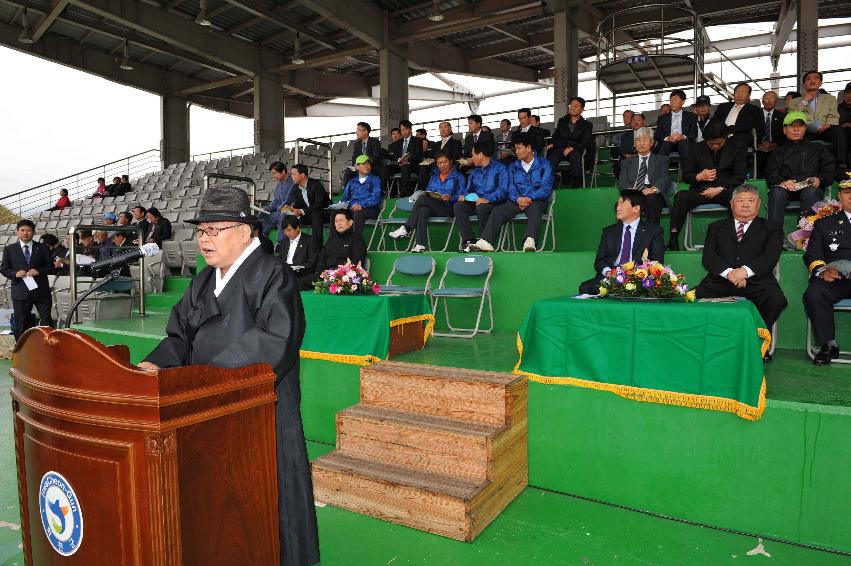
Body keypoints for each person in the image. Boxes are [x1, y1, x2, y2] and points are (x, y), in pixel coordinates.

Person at [137, 186, 319, 565]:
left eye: (213, 230)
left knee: (268, 507)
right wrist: (155, 366)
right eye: (200, 231)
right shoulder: (204, 281)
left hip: (258, 413)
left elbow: (275, 342)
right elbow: (179, 337)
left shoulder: (273, 275)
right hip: (206, 409)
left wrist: (205, 379)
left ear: (245, 231)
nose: (204, 239)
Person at [694, 184, 787, 358]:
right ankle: (704, 342)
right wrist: (730, 273)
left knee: (776, 301)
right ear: (731, 204)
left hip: (757, 280)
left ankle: (759, 343)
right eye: (741, 200)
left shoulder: (771, 227)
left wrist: (744, 272)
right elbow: (709, 257)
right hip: (720, 280)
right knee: (691, 297)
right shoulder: (716, 227)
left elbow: (770, 256)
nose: (745, 204)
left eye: (751, 201)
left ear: (758, 204)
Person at [667, 121, 747, 251]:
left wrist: (720, 188)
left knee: (736, 197)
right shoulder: (695, 148)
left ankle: (736, 240)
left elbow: (739, 176)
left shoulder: (736, 148)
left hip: (724, 190)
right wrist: (699, 176)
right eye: (711, 144)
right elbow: (686, 175)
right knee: (681, 196)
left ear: (725, 138)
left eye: (719, 143)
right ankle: (673, 239)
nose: (715, 146)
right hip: (701, 191)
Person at [470, 133, 554, 253]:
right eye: (515, 149)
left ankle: (530, 241)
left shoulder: (545, 164)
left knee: (535, 208)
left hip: (536, 200)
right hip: (517, 201)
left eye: (519, 148)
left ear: (529, 148)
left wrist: (529, 198)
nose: (516, 152)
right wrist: (518, 199)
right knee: (498, 210)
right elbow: (511, 188)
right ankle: (486, 241)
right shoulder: (513, 166)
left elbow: (546, 188)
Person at [578, 189, 665, 295]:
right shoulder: (609, 232)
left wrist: (633, 274)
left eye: (622, 204)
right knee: (586, 287)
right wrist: (609, 272)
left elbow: (657, 262)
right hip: (611, 277)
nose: (617, 208)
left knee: (647, 289)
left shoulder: (653, 231)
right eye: (617, 204)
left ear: (636, 208)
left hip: (638, 278)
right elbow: (599, 262)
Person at [803, 180, 851, 365]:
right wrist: (822, 271)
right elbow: (813, 253)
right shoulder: (824, 223)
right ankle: (828, 344)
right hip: (835, 277)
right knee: (815, 293)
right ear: (839, 196)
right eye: (847, 192)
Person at [765, 111, 835, 227]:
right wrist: (782, 182)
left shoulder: (818, 148)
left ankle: (804, 236)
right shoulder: (777, 153)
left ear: (805, 129)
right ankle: (774, 236)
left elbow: (830, 170)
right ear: (785, 130)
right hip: (786, 188)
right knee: (777, 192)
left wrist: (820, 179)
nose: (796, 129)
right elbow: (771, 174)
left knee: (810, 192)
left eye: (800, 126)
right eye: (792, 126)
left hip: (810, 188)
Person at [389, 152, 465, 252]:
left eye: (445, 162)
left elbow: (462, 195)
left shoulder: (458, 177)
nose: (443, 165)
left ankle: (407, 228)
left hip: (449, 208)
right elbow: (429, 191)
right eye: (439, 163)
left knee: (422, 199)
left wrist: (451, 198)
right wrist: (433, 195)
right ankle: (420, 245)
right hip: (434, 205)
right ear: (437, 164)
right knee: (423, 210)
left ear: (450, 162)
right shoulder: (434, 177)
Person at [0, 220, 55, 340]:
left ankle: (50, 348)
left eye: (29, 230)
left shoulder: (43, 248)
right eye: (22, 230)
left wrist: (39, 271)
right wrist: (15, 273)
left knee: (46, 321)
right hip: (20, 292)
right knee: (20, 324)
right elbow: (4, 269)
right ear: (17, 232)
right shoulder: (10, 249)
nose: (25, 233)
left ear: (33, 232)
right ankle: (21, 351)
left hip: (41, 292)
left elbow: (50, 267)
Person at [787, 70, 847, 178]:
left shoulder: (829, 98)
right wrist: (804, 101)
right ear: (804, 84)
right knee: (794, 133)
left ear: (820, 83)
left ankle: (841, 165)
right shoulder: (795, 101)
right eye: (808, 79)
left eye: (816, 78)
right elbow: (793, 117)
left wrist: (827, 125)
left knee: (838, 130)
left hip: (825, 128)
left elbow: (834, 115)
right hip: (805, 131)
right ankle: (800, 169)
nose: (812, 81)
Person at [454, 143, 509, 251]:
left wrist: (487, 199)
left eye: (473, 154)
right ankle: (469, 241)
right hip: (476, 201)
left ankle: (485, 241)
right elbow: (468, 190)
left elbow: (503, 191)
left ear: (481, 155)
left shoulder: (500, 168)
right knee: (458, 206)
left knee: (482, 206)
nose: (471, 158)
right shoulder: (474, 171)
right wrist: (465, 197)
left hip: (494, 203)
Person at [618, 127, 671, 226]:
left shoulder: (662, 160)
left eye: (645, 139)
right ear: (634, 143)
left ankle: (652, 238)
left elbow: (665, 178)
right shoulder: (626, 162)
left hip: (653, 194)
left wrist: (653, 189)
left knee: (652, 200)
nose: (641, 143)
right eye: (638, 140)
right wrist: (629, 189)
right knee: (621, 205)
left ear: (652, 142)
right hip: (634, 193)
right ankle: (625, 238)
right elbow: (622, 181)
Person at [302, 209, 368, 289]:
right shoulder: (331, 240)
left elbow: (357, 263)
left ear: (350, 222)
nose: (339, 223)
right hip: (326, 275)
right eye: (336, 221)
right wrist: (321, 271)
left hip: (344, 277)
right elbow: (322, 258)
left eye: (341, 220)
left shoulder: (357, 240)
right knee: (302, 282)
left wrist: (337, 273)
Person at [547, 97, 593, 187]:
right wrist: (553, 144)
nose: (572, 107)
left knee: (575, 156)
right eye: (571, 105)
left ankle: (576, 186)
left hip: (575, 149)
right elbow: (555, 136)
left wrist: (572, 148)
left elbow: (584, 142)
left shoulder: (587, 125)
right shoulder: (562, 121)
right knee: (552, 155)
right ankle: (548, 185)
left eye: (576, 106)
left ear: (582, 109)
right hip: (560, 148)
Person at [711, 82, 764, 150]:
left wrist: (727, 130)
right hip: (721, 135)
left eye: (743, 92)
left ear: (748, 95)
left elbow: (747, 125)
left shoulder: (753, 109)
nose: (739, 94)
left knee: (737, 141)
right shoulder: (723, 107)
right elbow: (715, 121)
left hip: (740, 137)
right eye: (737, 91)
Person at [288, 163, 332, 246]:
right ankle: (292, 244)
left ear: (303, 175)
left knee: (316, 215)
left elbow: (319, 204)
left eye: (295, 174)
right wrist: (292, 209)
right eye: (292, 174)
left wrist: (301, 211)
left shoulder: (316, 185)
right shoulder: (295, 188)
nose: (292, 176)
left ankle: (317, 245)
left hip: (324, 212)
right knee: (289, 218)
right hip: (309, 214)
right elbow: (298, 203)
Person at [340, 154, 383, 235]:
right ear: (357, 167)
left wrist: (361, 205)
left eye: (368, 163)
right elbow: (345, 199)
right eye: (363, 164)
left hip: (371, 209)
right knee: (336, 215)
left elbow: (376, 197)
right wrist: (350, 206)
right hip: (353, 209)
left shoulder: (375, 179)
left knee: (358, 214)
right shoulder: (352, 182)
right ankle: (335, 243)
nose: (367, 166)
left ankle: (355, 243)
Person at [279, 216, 319, 290]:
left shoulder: (310, 240)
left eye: (289, 230)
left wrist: (297, 268)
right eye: (285, 231)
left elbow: (311, 263)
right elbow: (280, 259)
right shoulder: (284, 242)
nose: (287, 233)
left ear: (297, 228)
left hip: (301, 274)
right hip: (285, 272)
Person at [654, 90, 697, 160]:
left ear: (683, 102)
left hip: (684, 142)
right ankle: (660, 169)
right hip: (668, 143)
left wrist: (682, 137)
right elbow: (658, 135)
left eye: (675, 99)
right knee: (665, 143)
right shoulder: (662, 118)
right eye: (670, 100)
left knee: (684, 143)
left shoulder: (691, 116)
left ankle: (687, 170)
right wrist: (667, 138)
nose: (672, 102)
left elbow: (694, 134)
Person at [342, 122, 384, 191]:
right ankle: (347, 195)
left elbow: (376, 156)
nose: (357, 132)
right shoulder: (357, 144)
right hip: (360, 167)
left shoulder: (375, 142)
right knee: (348, 172)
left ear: (366, 132)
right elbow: (354, 157)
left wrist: (365, 164)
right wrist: (356, 165)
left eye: (359, 130)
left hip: (372, 166)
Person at [420, 121, 462, 188]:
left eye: (445, 127)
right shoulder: (436, 144)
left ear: (450, 129)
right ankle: (425, 189)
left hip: (447, 164)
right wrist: (428, 160)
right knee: (423, 167)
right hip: (435, 165)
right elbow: (431, 157)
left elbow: (456, 157)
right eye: (441, 127)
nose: (442, 129)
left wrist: (443, 162)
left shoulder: (456, 142)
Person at [262, 162, 296, 244]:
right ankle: (263, 240)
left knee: (283, 213)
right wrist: (266, 208)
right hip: (280, 210)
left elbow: (289, 200)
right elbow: (276, 201)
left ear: (283, 171)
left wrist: (279, 208)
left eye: (275, 173)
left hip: (291, 208)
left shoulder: (293, 182)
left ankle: (280, 243)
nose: (273, 176)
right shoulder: (278, 186)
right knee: (263, 214)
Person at [387, 120, 422, 197]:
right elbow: (394, 156)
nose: (403, 132)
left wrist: (408, 160)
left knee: (405, 167)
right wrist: (398, 161)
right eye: (401, 130)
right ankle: (387, 192)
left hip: (411, 164)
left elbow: (418, 155)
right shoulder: (398, 142)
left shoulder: (417, 140)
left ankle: (405, 192)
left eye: (404, 129)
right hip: (399, 165)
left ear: (409, 129)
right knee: (385, 169)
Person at [756, 91, 785, 177]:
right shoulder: (755, 115)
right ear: (762, 101)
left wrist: (775, 144)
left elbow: (784, 135)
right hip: (758, 148)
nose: (769, 101)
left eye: (772, 99)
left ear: (776, 102)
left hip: (776, 148)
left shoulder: (782, 116)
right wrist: (758, 144)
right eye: (766, 98)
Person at [614, 113, 645, 179]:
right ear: (631, 123)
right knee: (617, 166)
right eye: (633, 120)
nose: (636, 122)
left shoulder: (648, 134)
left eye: (638, 120)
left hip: (643, 157)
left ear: (643, 122)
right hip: (628, 158)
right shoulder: (625, 136)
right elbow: (622, 149)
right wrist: (626, 155)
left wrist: (636, 156)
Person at [838, 83, 851, 162]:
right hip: (842, 137)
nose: (849, 96)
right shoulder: (837, 108)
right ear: (844, 94)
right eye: (847, 93)